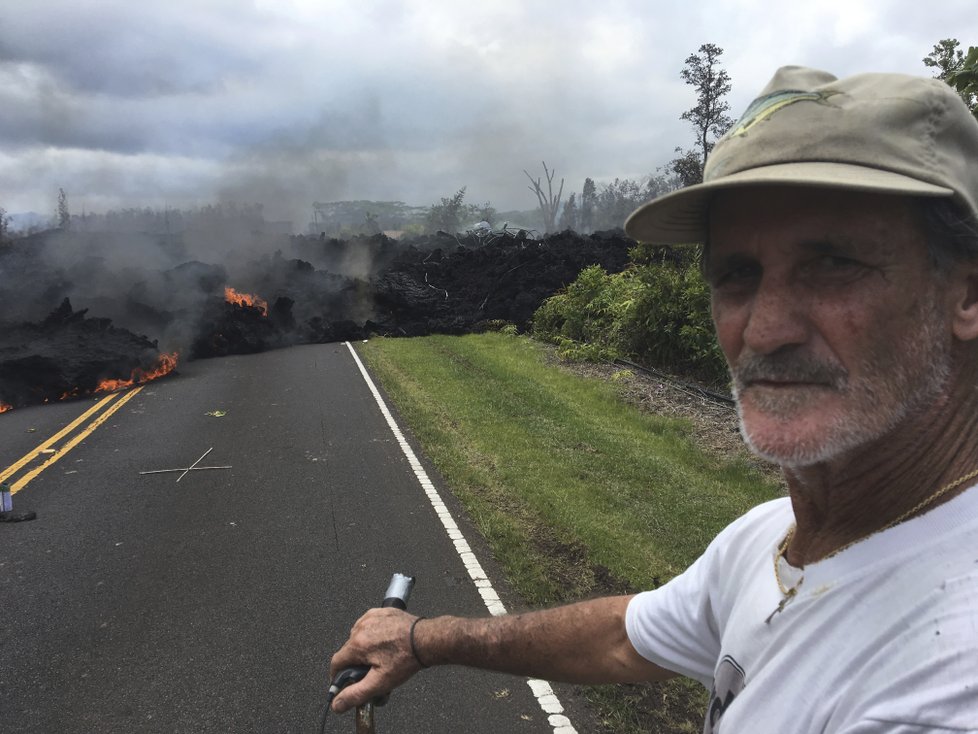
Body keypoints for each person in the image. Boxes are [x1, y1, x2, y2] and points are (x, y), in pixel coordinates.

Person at [329, 66, 978, 731]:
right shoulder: (769, 539)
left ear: (966, 293)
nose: (764, 329)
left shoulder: (949, 679)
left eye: (834, 264)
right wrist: (420, 641)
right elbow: (621, 636)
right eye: (736, 274)